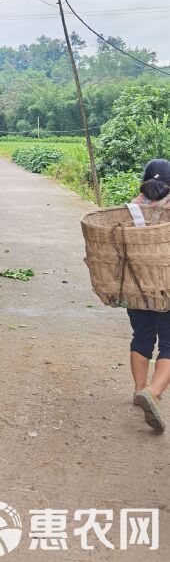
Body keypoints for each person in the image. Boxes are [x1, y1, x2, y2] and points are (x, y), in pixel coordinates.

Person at [127, 158, 170, 432]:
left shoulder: (131, 208)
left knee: (142, 337)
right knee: (169, 343)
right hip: (166, 288)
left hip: (135, 287)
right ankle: (152, 393)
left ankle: (139, 388)